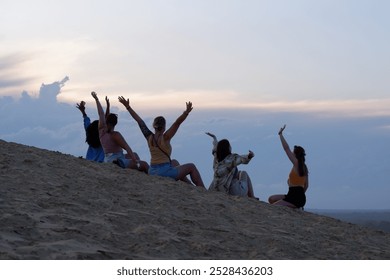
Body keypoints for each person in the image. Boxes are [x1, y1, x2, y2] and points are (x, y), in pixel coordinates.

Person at [118, 96, 205, 188]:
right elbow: (177, 123)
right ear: (164, 127)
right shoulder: (166, 137)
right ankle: (202, 189)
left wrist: (128, 107)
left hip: (152, 171)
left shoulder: (149, 137)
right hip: (164, 172)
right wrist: (186, 112)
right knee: (191, 166)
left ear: (154, 126)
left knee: (174, 162)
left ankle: (189, 185)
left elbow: (139, 121)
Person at [91, 92, 149, 172]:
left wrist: (97, 99)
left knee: (135, 154)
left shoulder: (101, 130)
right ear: (115, 123)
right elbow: (127, 148)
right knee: (144, 164)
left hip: (107, 159)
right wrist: (136, 162)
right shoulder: (115, 135)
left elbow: (101, 114)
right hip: (118, 161)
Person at [268, 125, 309, 208]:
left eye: (293, 152)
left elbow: (286, 149)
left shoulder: (297, 163)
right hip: (293, 195)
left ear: (296, 154)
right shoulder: (304, 167)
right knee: (271, 199)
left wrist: (280, 135)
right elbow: (306, 186)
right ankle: (293, 206)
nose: (292, 153)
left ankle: (294, 206)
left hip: (295, 198)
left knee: (273, 207)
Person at [206, 132, 256, 198]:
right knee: (243, 173)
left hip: (218, 189)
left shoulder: (216, 160)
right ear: (228, 148)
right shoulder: (231, 159)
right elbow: (241, 159)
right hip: (234, 192)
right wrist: (249, 156)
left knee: (238, 173)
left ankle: (251, 196)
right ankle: (252, 197)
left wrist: (214, 138)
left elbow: (215, 148)